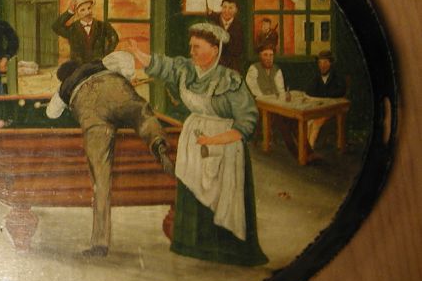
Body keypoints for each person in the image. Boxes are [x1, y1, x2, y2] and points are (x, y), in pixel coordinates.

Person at [129, 23, 268, 266]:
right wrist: (139, 54)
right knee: (192, 190)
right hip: (194, 142)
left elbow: (247, 120)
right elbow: (166, 66)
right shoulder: (187, 70)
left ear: (215, 50)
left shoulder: (230, 79)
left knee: (222, 198)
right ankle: (192, 246)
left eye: (197, 47)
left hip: (226, 145)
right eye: (190, 46)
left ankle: (227, 252)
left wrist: (214, 141)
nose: (191, 51)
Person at [46, 51, 174, 257]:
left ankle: (100, 243)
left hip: (91, 111)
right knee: (141, 113)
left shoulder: (64, 87)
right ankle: (156, 139)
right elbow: (124, 59)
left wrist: (64, 97)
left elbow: (51, 113)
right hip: (115, 87)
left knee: (100, 178)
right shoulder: (101, 63)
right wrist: (128, 78)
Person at [246, 44, 309, 161]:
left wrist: (282, 99)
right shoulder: (254, 69)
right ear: (260, 56)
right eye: (265, 55)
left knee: (293, 118)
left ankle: (307, 150)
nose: (268, 58)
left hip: (275, 104)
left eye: (271, 55)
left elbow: (281, 90)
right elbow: (255, 91)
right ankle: (296, 152)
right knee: (281, 120)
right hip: (260, 105)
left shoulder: (277, 70)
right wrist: (271, 100)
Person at [52, 0, 119, 63]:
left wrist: (106, 55)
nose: (87, 12)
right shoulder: (73, 29)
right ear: (77, 13)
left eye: (89, 8)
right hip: (78, 65)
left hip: (98, 64)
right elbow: (56, 27)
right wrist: (70, 12)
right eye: (82, 10)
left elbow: (114, 38)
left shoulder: (102, 26)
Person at [306, 49, 347, 149]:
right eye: (320, 63)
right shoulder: (317, 77)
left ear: (330, 63)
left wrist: (324, 95)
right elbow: (309, 90)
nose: (322, 65)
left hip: (333, 110)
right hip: (319, 109)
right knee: (308, 121)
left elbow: (341, 91)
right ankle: (306, 148)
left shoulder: (337, 76)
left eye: (325, 62)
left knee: (316, 123)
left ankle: (309, 148)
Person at [209, 0, 244, 73]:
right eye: (224, 7)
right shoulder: (213, 21)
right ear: (221, 8)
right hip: (214, 64)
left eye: (230, 8)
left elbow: (239, 50)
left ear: (236, 10)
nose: (227, 11)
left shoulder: (239, 26)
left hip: (231, 65)